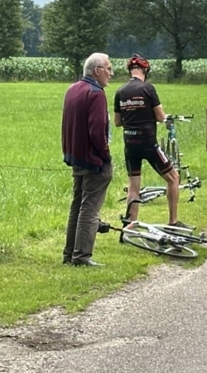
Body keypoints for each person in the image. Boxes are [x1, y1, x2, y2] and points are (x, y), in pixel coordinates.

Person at [113, 54, 188, 228]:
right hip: (148, 142)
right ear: (145, 70)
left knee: (133, 186)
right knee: (173, 178)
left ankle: (130, 225)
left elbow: (117, 122)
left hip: (129, 142)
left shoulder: (120, 91)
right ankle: (173, 222)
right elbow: (161, 117)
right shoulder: (148, 89)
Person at [61, 52, 115, 267]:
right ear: (97, 70)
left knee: (77, 207)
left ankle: (69, 253)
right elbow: (96, 131)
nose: (111, 73)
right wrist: (106, 156)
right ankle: (82, 256)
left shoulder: (72, 89)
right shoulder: (96, 94)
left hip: (76, 157)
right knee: (90, 209)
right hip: (93, 161)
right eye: (108, 68)